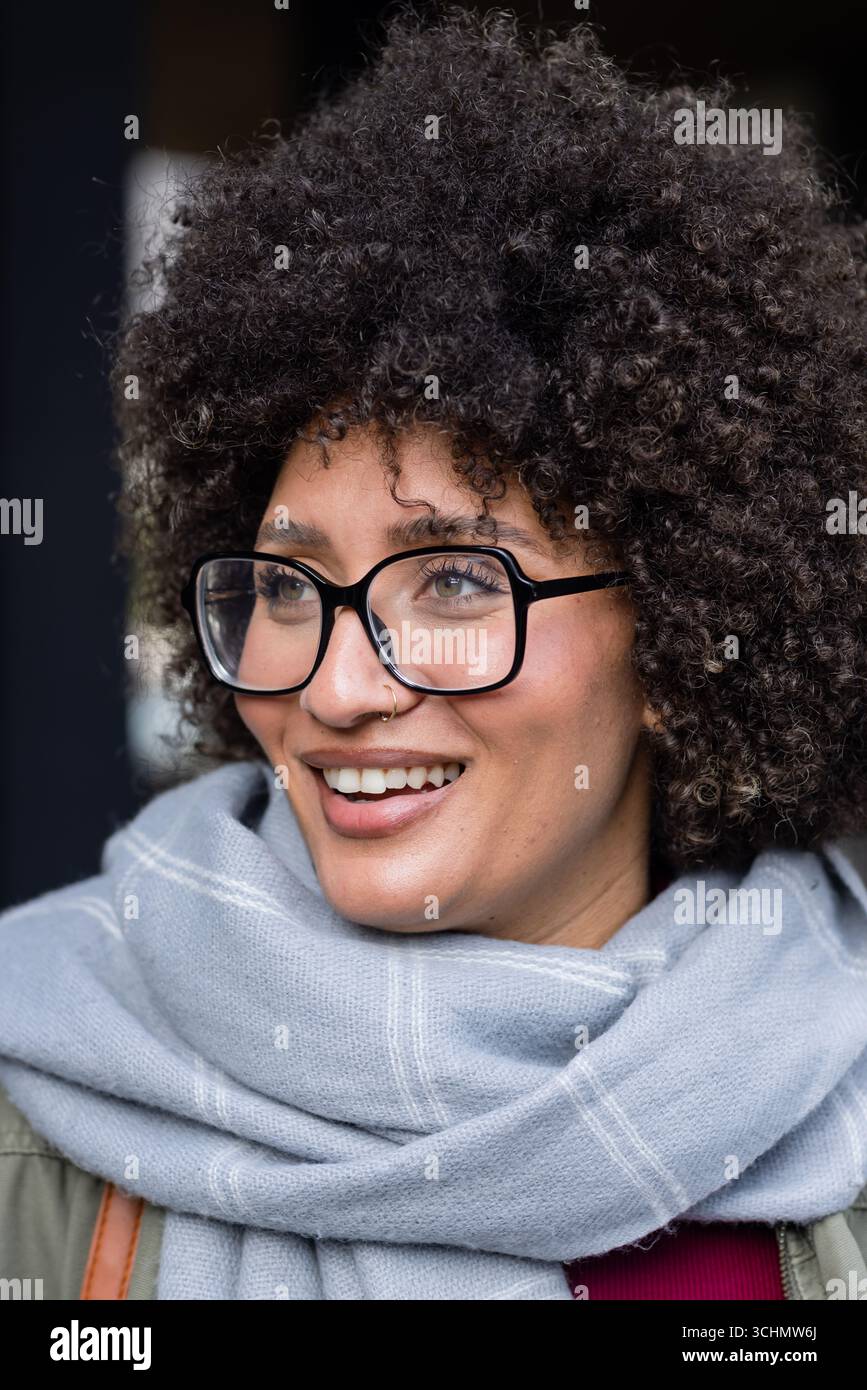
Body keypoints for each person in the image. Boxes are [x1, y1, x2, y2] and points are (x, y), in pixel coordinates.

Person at [1, 5, 866, 1301]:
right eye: (289, 584)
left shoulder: (831, 1106)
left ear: (686, 631)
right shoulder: (38, 1088)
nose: (337, 690)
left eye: (458, 577)